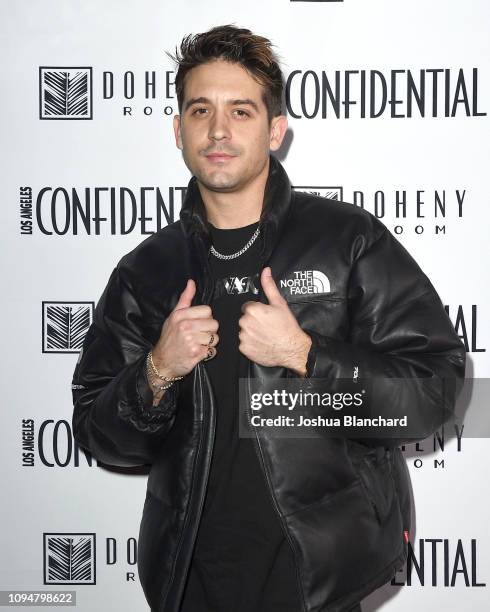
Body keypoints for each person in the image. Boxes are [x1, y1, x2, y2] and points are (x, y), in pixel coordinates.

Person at [71, 25, 466, 612]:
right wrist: (157, 369)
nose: (219, 130)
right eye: (200, 109)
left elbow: (434, 391)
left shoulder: (346, 241)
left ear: (276, 130)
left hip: (318, 583)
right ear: (178, 130)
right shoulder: (147, 271)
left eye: (242, 110)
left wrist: (306, 355)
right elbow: (100, 434)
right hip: (188, 584)